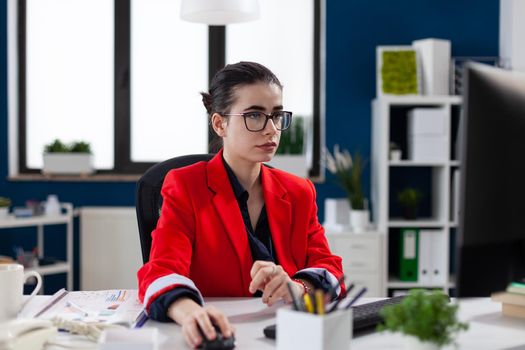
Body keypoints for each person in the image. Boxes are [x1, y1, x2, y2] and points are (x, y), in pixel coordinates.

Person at [137, 61, 344, 348]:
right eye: (255, 116)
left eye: (276, 115)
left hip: (283, 336)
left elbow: (330, 267)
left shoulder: (298, 191)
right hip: (217, 333)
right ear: (220, 124)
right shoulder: (185, 186)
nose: (271, 129)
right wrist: (191, 315)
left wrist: (298, 287)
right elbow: (160, 270)